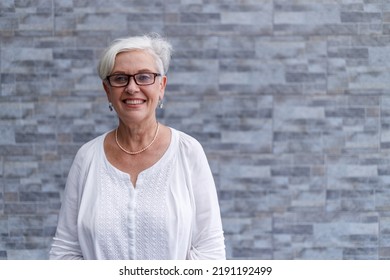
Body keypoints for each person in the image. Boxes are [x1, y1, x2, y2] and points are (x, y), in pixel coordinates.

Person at [49, 34, 226, 260]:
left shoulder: (188, 151)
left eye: (144, 77)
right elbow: (65, 251)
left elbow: (210, 251)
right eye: (120, 78)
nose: (132, 88)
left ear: (161, 86)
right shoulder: (87, 157)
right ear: (107, 90)